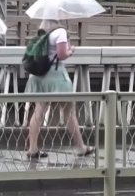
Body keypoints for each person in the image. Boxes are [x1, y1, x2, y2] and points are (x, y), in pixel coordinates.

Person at [25, 20, 94, 159]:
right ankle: (80, 147)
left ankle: (32, 149)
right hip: (56, 76)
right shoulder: (60, 32)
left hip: (38, 75)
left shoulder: (42, 34)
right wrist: (71, 51)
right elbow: (61, 55)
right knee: (69, 111)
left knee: (39, 110)